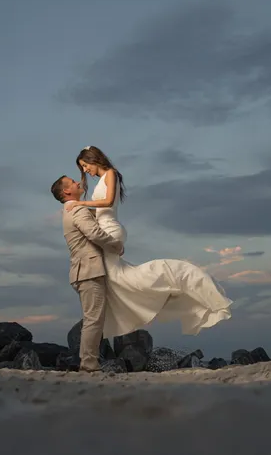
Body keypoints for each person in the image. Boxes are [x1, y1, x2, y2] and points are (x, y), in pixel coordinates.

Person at [61, 145, 232, 339]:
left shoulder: (111, 173)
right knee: (116, 280)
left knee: (120, 279)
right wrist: (77, 210)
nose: (85, 171)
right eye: (82, 168)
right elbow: (99, 209)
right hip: (105, 227)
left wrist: (80, 204)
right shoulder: (101, 180)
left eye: (85, 165)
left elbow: (108, 202)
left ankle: (174, 279)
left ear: (93, 159)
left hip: (110, 230)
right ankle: (113, 323)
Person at [50, 175, 123, 372]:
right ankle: (89, 364)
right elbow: (94, 234)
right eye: (72, 182)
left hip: (83, 271)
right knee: (93, 318)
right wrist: (116, 245)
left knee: (93, 317)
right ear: (66, 191)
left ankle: (88, 362)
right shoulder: (77, 210)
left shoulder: (72, 210)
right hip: (89, 271)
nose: (77, 182)